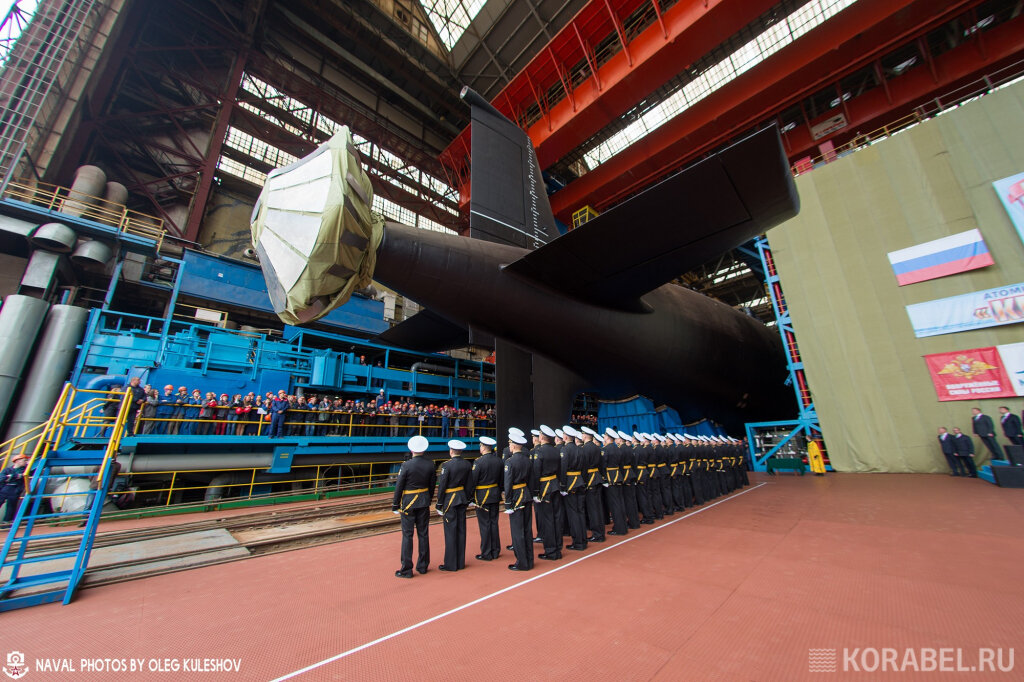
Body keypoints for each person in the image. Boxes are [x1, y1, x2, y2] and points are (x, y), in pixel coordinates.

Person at [392, 435, 436, 578]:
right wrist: (427, 498)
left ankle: (406, 569)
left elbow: (399, 486)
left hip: (409, 502)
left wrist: (395, 504)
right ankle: (423, 566)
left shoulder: (406, 465)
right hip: (423, 502)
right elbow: (431, 485)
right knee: (423, 534)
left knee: (407, 535)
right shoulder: (430, 464)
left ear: (411, 449)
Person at [436, 439, 472, 572]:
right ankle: (460, 562)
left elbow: (442, 486)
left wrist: (439, 503)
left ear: (451, 451)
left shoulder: (447, 466)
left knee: (450, 531)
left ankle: (451, 564)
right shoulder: (467, 464)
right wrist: (468, 498)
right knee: (461, 530)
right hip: (462, 498)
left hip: (450, 499)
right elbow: (469, 484)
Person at [469, 436, 502, 561]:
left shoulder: (478, 462)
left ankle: (486, 552)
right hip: (494, 494)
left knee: (484, 524)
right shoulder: (498, 461)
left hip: (482, 496)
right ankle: (495, 550)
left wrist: (470, 497)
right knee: (494, 522)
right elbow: (501, 480)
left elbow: (473, 481)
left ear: (483, 447)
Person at [504, 432, 534, 571]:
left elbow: (508, 483)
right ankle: (529, 559)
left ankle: (521, 562)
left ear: (514, 445)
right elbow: (531, 479)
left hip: (516, 496)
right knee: (527, 529)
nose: (509, 446)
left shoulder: (510, 462)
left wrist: (508, 503)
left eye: (510, 443)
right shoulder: (527, 459)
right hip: (526, 494)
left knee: (517, 531)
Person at [532, 425, 563, 561]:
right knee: (556, 518)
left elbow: (536, 472)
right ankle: (558, 547)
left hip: (545, 487)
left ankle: (550, 551)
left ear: (542, 437)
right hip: (555, 485)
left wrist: (536, 491)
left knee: (548, 520)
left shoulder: (539, 452)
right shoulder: (556, 450)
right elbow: (561, 470)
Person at [559, 425, 588, 551]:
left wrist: (563, 486)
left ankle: (578, 542)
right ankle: (583, 539)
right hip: (580, 481)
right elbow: (585, 469)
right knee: (580, 512)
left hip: (570, 483)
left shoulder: (565, 450)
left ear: (565, 436)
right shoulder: (580, 449)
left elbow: (563, 469)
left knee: (573, 514)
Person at [0, 453, 28, 526]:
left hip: (15, 489)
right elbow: (1, 478)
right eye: (24, 460)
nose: (26, 462)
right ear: (17, 461)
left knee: (11, 506)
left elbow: (21, 476)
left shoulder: (25, 470)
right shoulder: (7, 469)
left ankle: (6, 522)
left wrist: (9, 477)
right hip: (4, 489)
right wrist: (15, 476)